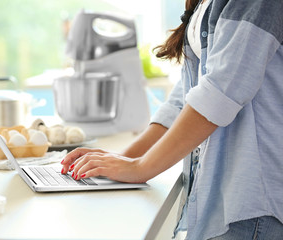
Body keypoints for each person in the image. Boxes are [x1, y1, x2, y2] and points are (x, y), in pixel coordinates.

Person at [61, 0, 283, 239]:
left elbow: (221, 90)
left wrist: (140, 168)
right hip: (226, 195)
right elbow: (186, 95)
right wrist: (126, 158)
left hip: (253, 198)